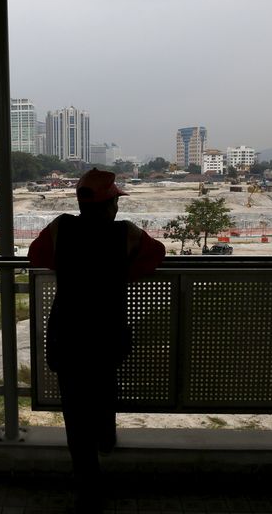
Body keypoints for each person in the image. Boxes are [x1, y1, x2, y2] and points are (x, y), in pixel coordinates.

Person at [28, 168, 165, 511]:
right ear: (111, 205)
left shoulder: (60, 227)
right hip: (107, 333)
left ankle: (88, 484)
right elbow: (155, 256)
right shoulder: (128, 234)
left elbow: (37, 256)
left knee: (75, 412)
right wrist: (121, 274)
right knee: (104, 387)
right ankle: (106, 438)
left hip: (68, 334)